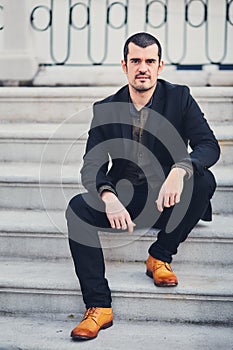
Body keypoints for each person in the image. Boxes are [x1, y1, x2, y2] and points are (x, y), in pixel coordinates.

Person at [66, 32, 220, 341]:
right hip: (128, 200)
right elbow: (92, 164)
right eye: (135, 61)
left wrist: (181, 169)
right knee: (77, 208)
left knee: (204, 179)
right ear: (124, 66)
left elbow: (208, 146)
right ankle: (99, 306)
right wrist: (106, 194)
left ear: (160, 66)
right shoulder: (105, 108)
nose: (143, 68)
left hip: (170, 199)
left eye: (150, 61)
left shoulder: (180, 98)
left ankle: (160, 255)